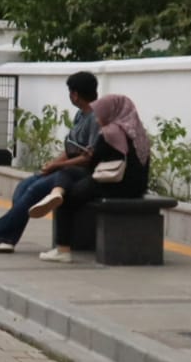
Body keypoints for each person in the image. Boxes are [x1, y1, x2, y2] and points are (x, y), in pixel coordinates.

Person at [0, 72, 99, 255]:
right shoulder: (80, 115)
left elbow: (89, 157)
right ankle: (8, 239)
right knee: (23, 186)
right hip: (65, 168)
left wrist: (56, 167)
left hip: (78, 174)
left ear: (75, 94)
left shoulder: (95, 118)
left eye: (70, 92)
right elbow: (70, 149)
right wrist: (51, 164)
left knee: (34, 190)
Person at [29, 93, 152, 262]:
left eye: (100, 113)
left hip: (113, 185)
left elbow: (92, 165)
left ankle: (62, 249)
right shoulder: (137, 132)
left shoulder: (110, 132)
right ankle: (56, 192)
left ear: (110, 112)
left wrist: (86, 155)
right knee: (68, 172)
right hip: (136, 186)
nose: (97, 118)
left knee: (67, 198)